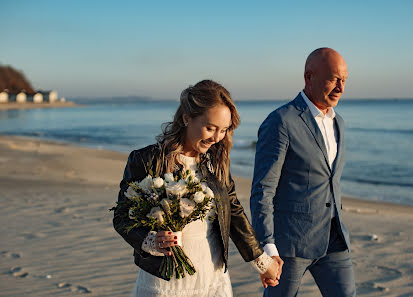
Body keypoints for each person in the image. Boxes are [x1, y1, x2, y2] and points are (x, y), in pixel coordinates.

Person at [113, 80, 280, 297]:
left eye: (223, 130)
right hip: (164, 281)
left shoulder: (215, 163)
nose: (216, 138)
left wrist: (262, 261)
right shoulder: (146, 160)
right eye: (210, 128)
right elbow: (122, 217)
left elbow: (234, 212)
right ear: (186, 118)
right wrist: (151, 240)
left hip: (213, 274)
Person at [250, 48, 356, 296]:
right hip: (290, 245)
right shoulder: (281, 121)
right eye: (333, 79)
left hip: (333, 238)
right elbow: (263, 190)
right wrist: (268, 247)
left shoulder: (338, 121)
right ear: (309, 77)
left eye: (344, 80)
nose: (340, 87)